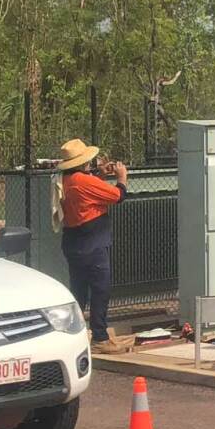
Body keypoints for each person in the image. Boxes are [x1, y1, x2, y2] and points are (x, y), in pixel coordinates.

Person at [55, 138, 133, 355]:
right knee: (100, 289)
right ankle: (99, 337)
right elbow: (118, 196)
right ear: (83, 162)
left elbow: (89, 192)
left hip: (73, 241)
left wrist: (100, 176)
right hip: (92, 242)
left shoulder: (67, 179)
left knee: (78, 290)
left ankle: (72, 335)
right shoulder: (83, 181)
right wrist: (121, 178)